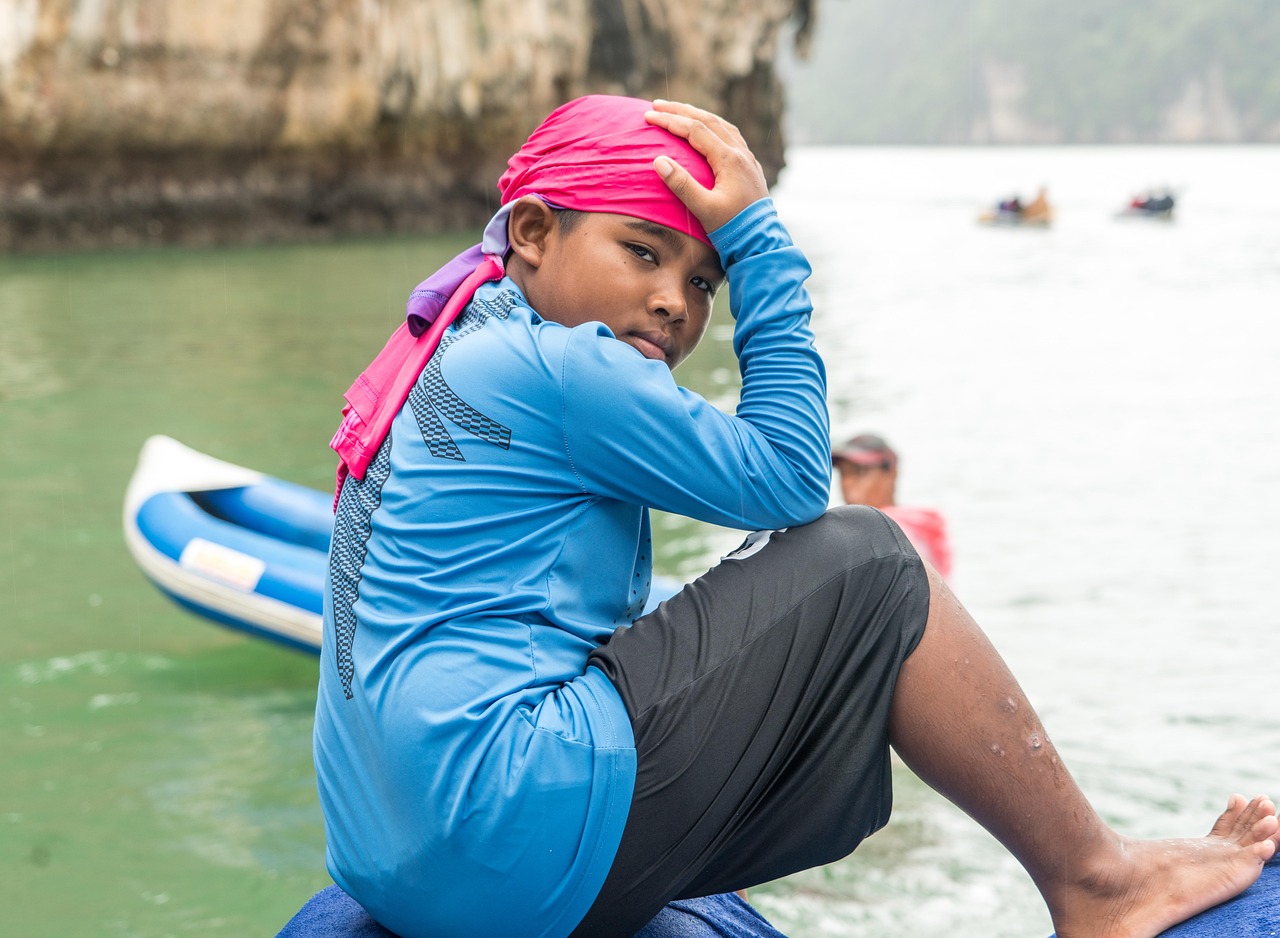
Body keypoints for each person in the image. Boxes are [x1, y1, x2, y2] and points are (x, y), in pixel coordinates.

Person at [312, 95, 1278, 938]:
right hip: (503, 840)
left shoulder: (456, 339)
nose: (672, 305)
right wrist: (759, 247)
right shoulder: (568, 367)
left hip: (388, 857)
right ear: (530, 232)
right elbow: (787, 478)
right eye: (641, 252)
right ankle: (1098, 882)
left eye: (703, 281)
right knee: (872, 557)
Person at [832, 433, 952, 579]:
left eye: (860, 471)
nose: (847, 482)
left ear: (891, 473)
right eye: (844, 473)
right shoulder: (922, 525)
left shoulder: (899, 530)